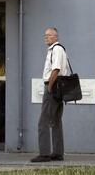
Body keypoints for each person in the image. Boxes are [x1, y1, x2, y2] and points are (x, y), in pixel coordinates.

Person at [31, 27, 70, 162]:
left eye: (49, 35)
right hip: (58, 87)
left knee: (43, 121)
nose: (46, 37)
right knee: (55, 121)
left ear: (55, 37)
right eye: (45, 35)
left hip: (53, 86)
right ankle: (58, 153)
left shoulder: (57, 49)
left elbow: (56, 69)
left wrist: (50, 87)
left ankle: (45, 153)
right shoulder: (55, 50)